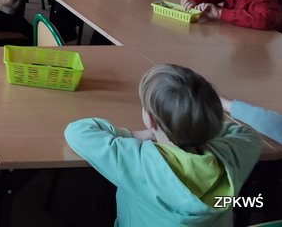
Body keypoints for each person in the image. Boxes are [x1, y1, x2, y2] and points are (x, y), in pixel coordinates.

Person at [64, 64, 261, 226]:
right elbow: (246, 134)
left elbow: (77, 132)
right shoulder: (232, 156)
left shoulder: (137, 161)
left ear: (151, 121)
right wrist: (200, 126)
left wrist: (136, 135)